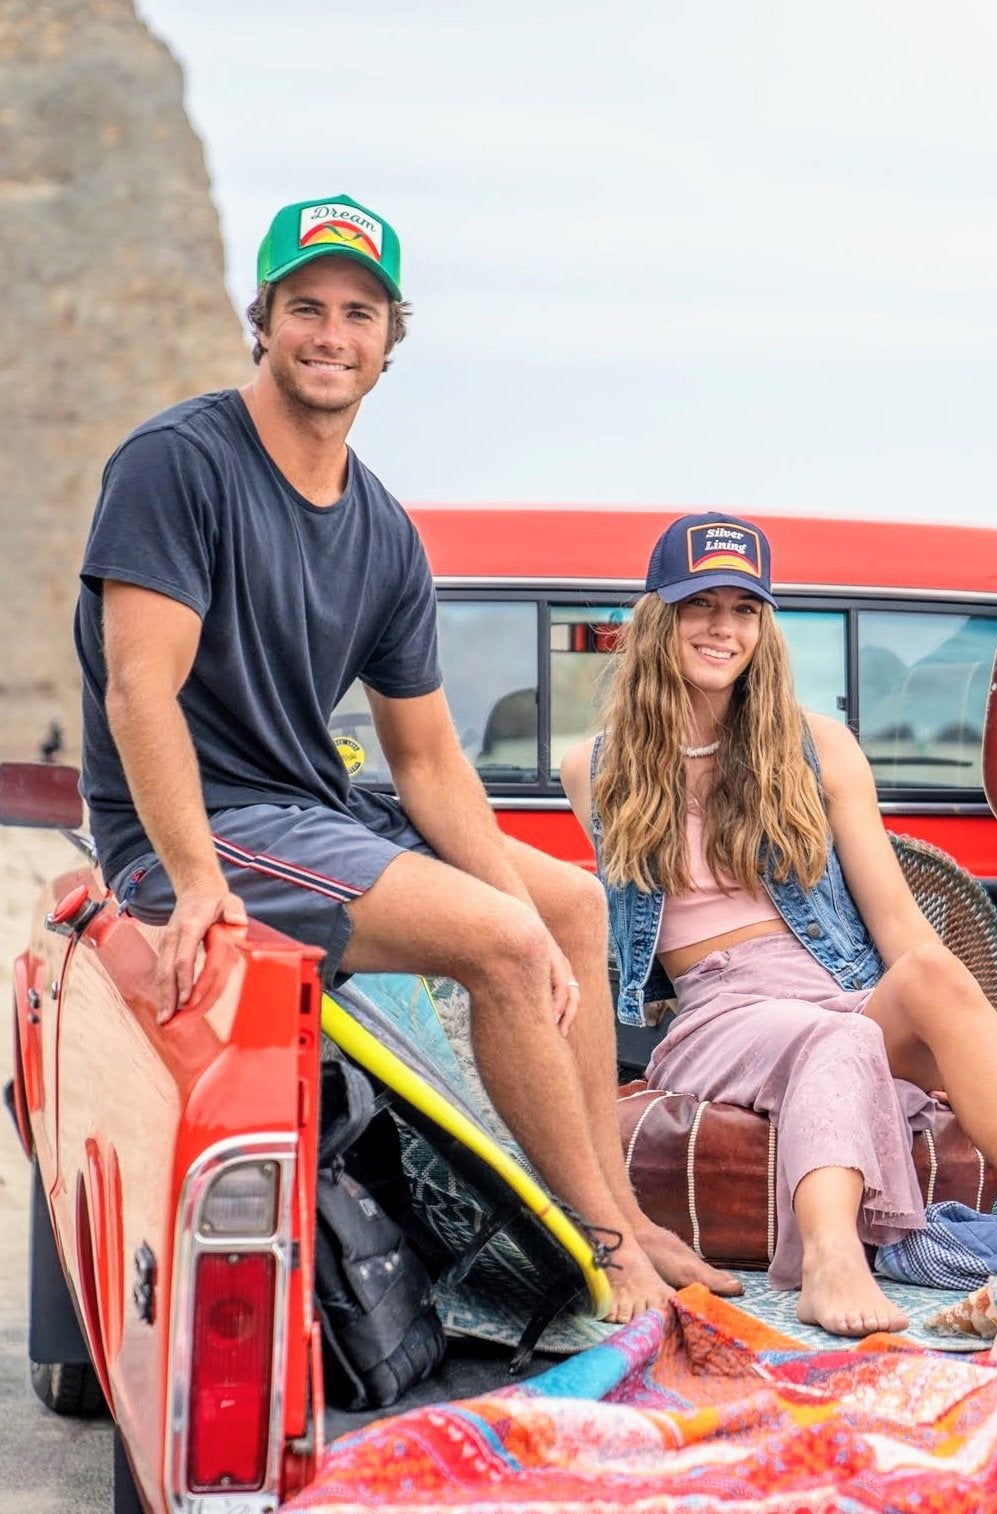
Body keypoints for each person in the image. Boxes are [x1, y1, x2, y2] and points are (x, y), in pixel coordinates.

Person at [72, 194, 728, 1321]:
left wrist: (507, 889)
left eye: (358, 314)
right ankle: (605, 1245)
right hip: (201, 827)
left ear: (389, 339)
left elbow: (425, 760)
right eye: (307, 308)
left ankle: (626, 1207)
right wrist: (195, 880)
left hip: (310, 811)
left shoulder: (382, 529)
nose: (331, 335)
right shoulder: (177, 464)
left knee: (566, 904)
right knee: (504, 944)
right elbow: (142, 689)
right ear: (263, 320)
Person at [563, 513, 997, 1338]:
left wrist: (961, 1031)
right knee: (840, 1039)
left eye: (744, 609)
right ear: (659, 615)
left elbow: (897, 921)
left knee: (930, 977)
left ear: (763, 629)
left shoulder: (819, 748)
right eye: (701, 605)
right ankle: (829, 1261)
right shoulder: (595, 766)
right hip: (718, 1013)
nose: (723, 628)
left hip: (833, 990)